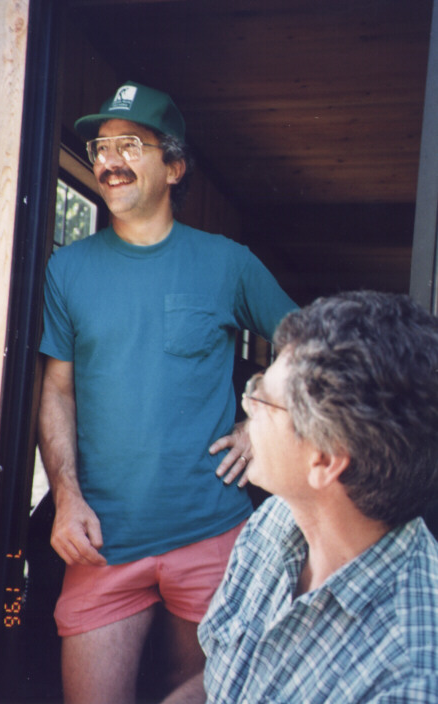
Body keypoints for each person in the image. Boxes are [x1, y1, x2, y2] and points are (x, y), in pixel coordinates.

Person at [37, 80, 297, 704]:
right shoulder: (68, 269)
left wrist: (257, 425)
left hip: (212, 529)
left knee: (201, 693)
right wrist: (66, 497)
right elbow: (58, 391)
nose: (109, 161)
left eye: (130, 145)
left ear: (174, 167)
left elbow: (312, 345)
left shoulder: (228, 262)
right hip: (102, 541)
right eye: (101, 148)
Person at [186, 290, 438, 704]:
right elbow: (221, 684)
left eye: (263, 397)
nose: (247, 405)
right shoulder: (277, 519)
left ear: (324, 460)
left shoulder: (408, 677)